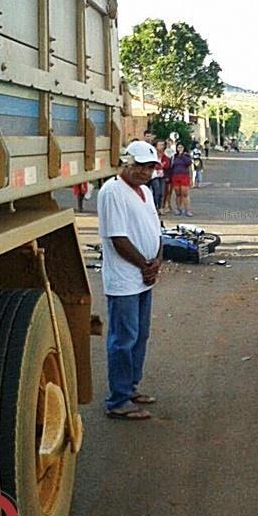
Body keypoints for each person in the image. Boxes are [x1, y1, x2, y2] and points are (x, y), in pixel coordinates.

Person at [97, 140, 163, 420]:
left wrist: (156, 260)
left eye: (149, 168)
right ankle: (118, 400)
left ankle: (131, 387)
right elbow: (117, 238)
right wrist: (144, 264)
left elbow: (156, 230)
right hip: (125, 278)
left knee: (140, 336)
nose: (144, 172)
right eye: (138, 166)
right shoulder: (112, 191)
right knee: (123, 338)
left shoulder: (146, 192)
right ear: (126, 162)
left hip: (144, 276)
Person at [170, 143, 194, 217]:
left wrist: (191, 178)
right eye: (178, 147)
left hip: (184, 176)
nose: (179, 149)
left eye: (181, 147)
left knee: (185, 194)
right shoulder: (174, 156)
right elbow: (171, 166)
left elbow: (189, 165)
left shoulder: (187, 156)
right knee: (178, 194)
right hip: (175, 176)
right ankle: (178, 208)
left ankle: (187, 210)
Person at [150, 140, 169, 214]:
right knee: (156, 191)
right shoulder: (153, 154)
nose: (162, 146)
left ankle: (160, 207)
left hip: (162, 175)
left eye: (163, 145)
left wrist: (163, 164)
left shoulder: (164, 155)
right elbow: (153, 164)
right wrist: (159, 165)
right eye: (160, 145)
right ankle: (155, 207)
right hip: (154, 175)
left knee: (162, 192)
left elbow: (167, 163)